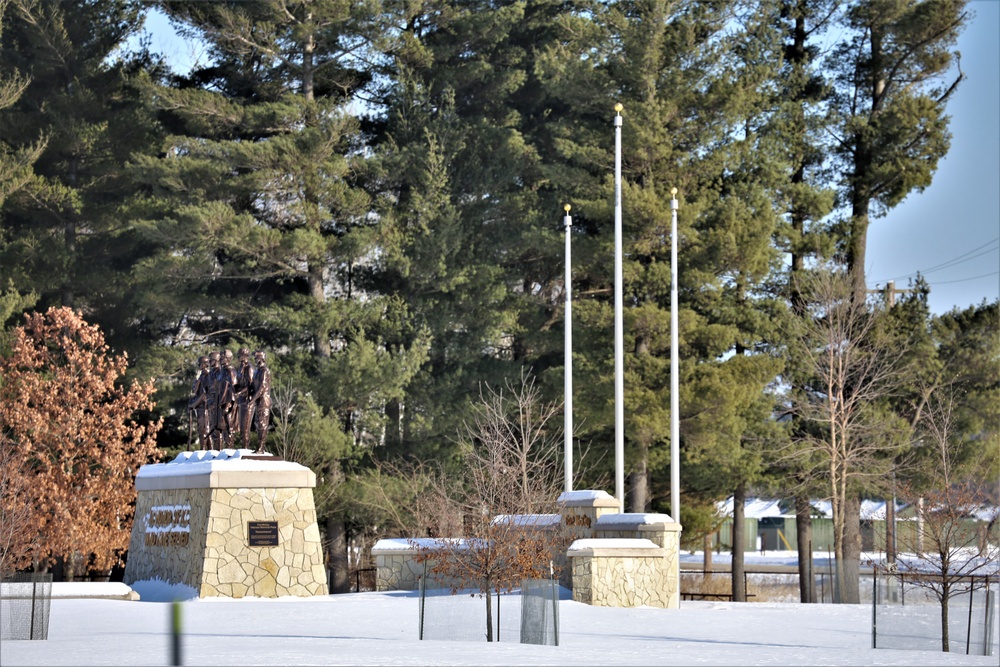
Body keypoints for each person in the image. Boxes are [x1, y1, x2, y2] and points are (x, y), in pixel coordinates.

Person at [249, 349, 272, 453]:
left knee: (262, 424)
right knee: (258, 423)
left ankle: (261, 447)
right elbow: (254, 386)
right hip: (258, 401)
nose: (255, 360)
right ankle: (259, 446)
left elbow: (262, 387)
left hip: (263, 401)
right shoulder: (257, 371)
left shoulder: (264, 371)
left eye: (257, 358)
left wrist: (253, 399)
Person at [233, 348, 256, 449]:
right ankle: (243, 447)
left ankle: (245, 448)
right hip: (241, 400)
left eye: (239, 355)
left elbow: (251, 385)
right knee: (241, 427)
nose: (238, 357)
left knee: (245, 427)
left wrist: (240, 392)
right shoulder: (240, 367)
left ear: (245, 356)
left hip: (247, 400)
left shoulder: (249, 368)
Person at [187, 355, 211, 450]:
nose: (198, 365)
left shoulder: (208, 376)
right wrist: (196, 381)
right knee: (202, 429)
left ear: (205, 364)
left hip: (205, 406)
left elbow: (205, 394)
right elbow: (195, 391)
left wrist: (194, 404)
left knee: (204, 429)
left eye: (200, 363)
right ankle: (205, 449)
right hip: (199, 406)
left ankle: (204, 450)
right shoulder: (201, 376)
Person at [217, 349, 237, 448]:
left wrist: (229, 403)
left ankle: (230, 447)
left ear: (228, 358)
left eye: (222, 357)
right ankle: (227, 446)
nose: (220, 359)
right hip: (222, 401)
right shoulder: (222, 371)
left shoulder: (230, 371)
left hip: (228, 402)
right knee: (224, 426)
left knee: (229, 426)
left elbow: (234, 387)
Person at [204, 351, 222, 450]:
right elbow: (207, 388)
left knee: (217, 429)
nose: (209, 362)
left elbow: (220, 389)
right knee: (212, 428)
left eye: (211, 360)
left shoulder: (220, 372)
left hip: (217, 403)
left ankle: (218, 451)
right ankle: (214, 451)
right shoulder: (211, 373)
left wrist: (215, 402)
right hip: (210, 402)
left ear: (217, 360)